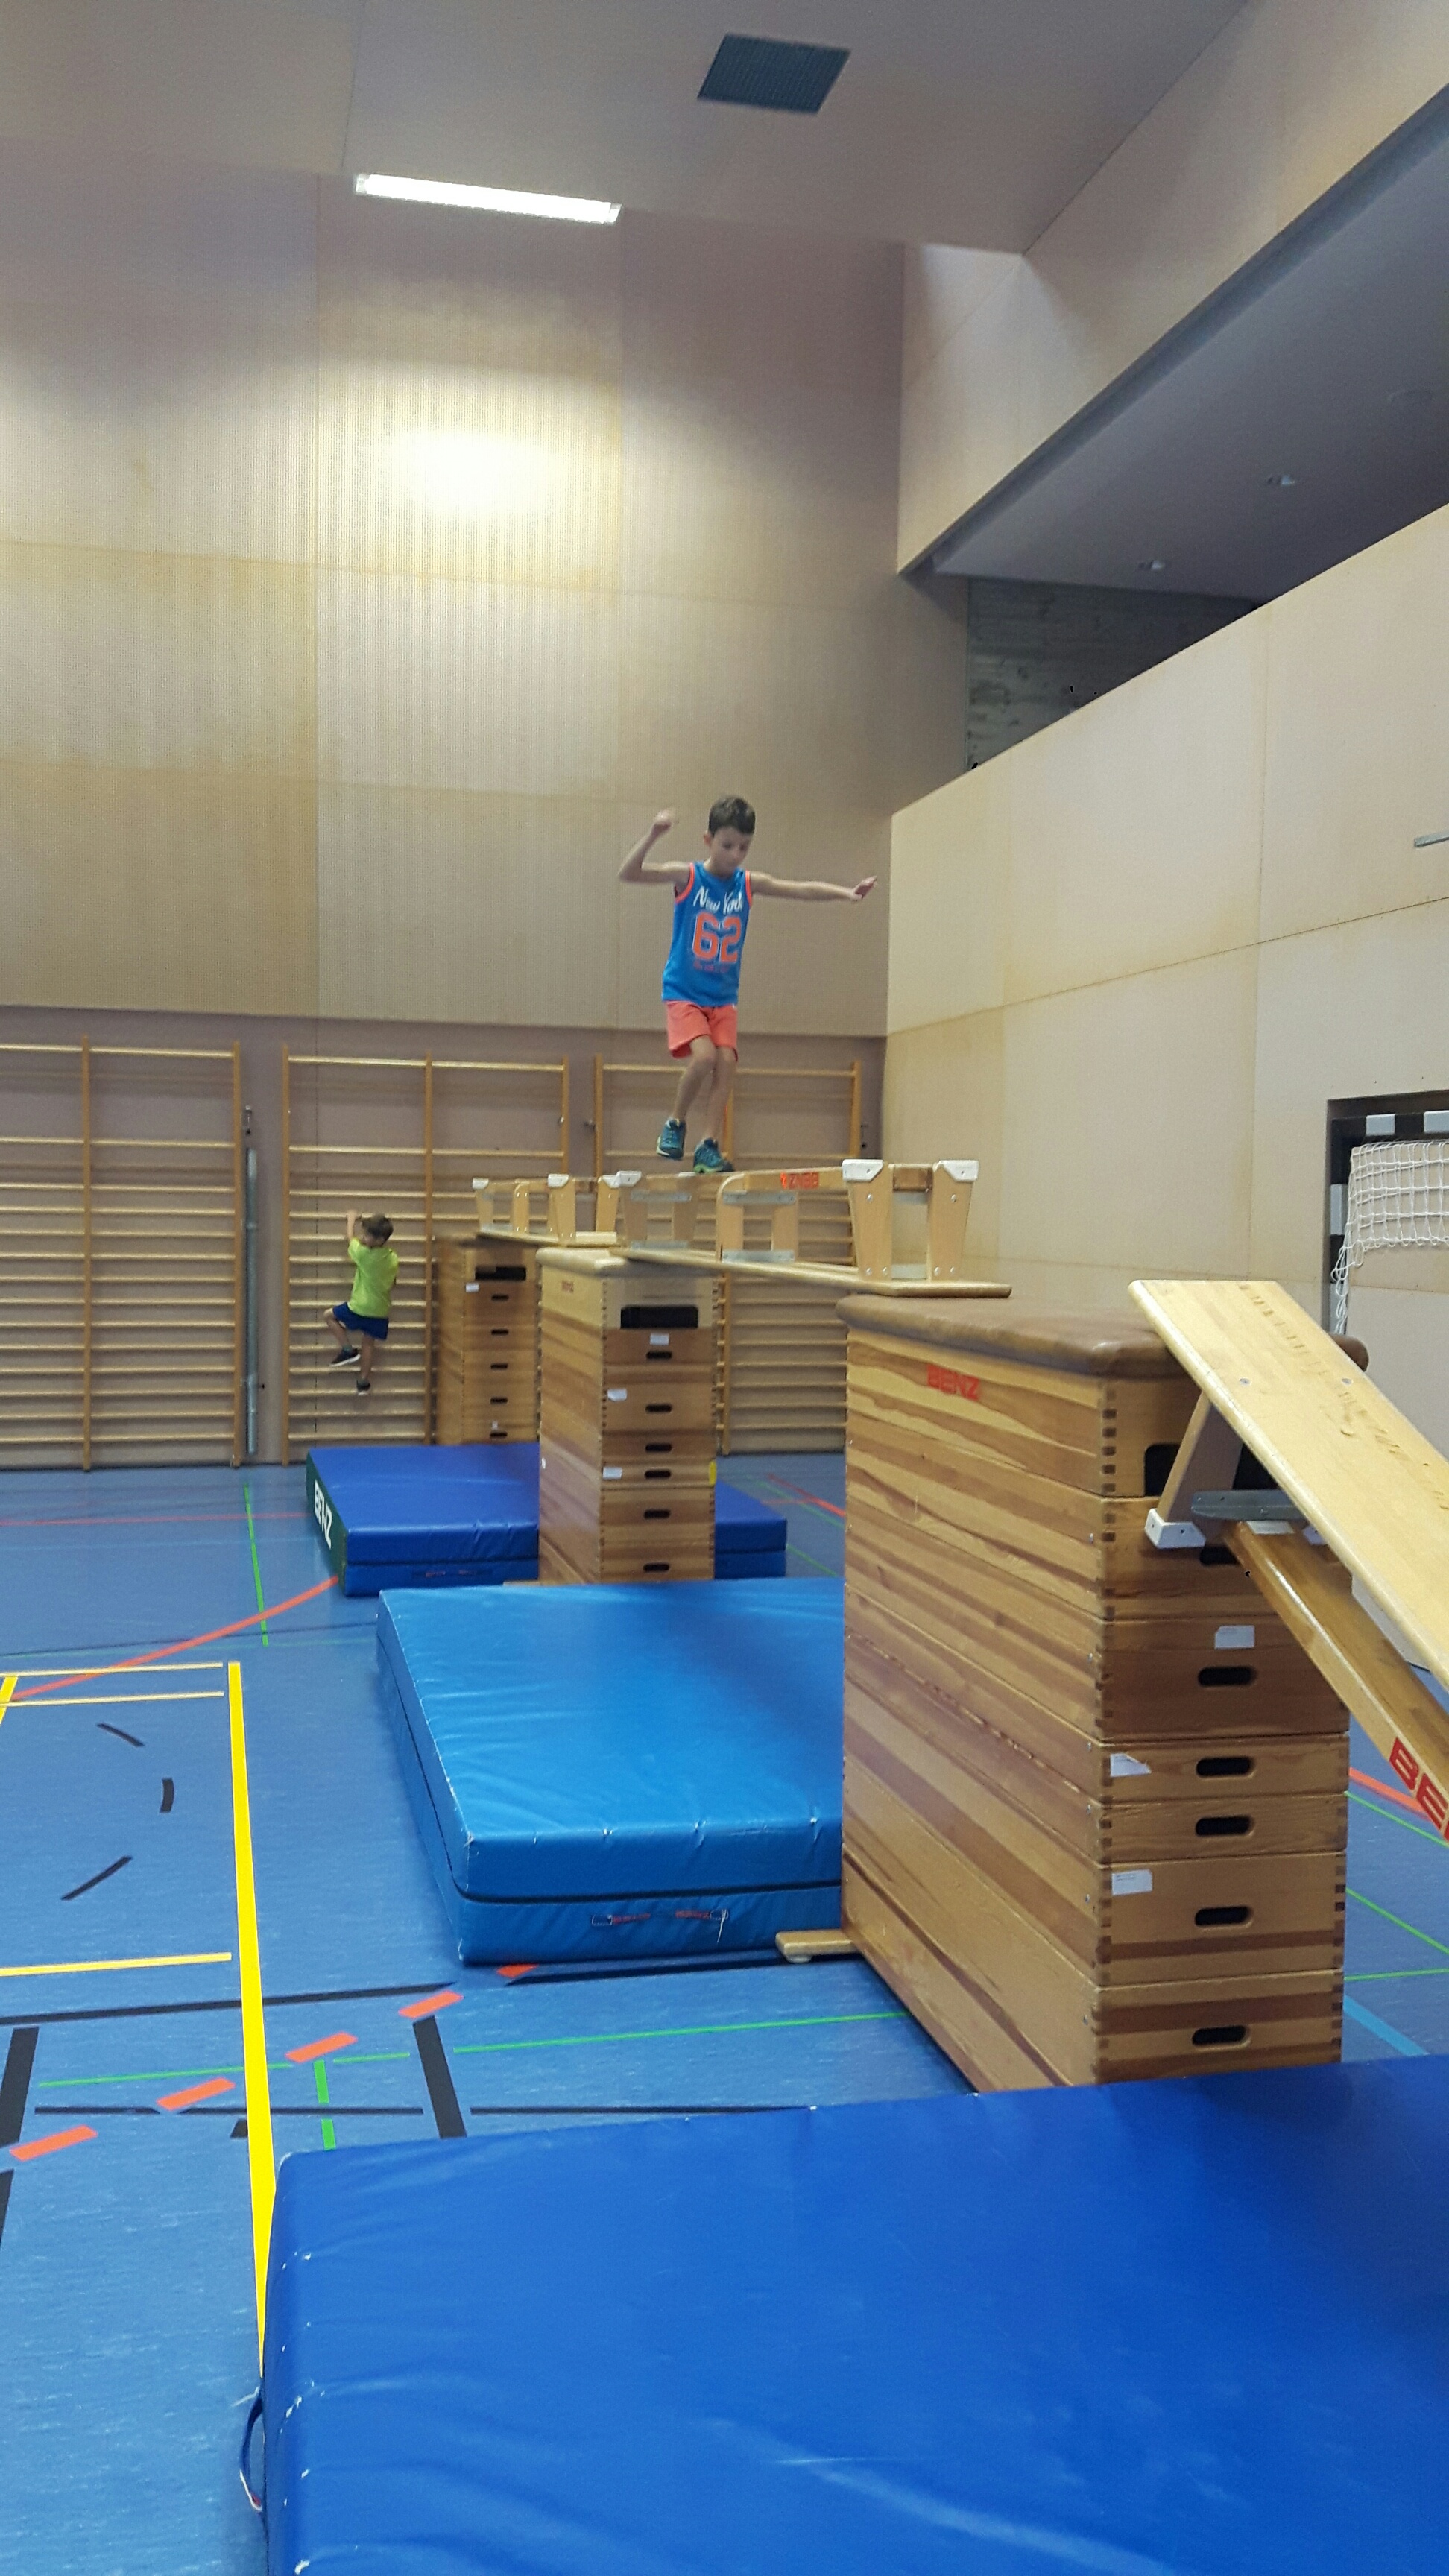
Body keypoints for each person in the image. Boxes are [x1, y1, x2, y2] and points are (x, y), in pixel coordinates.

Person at [619, 796, 875, 1172]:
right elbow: (629, 872)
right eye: (728, 846)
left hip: (723, 998)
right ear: (708, 840)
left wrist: (847, 894)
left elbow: (800, 889)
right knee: (704, 1057)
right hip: (685, 993)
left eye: (744, 847)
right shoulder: (688, 877)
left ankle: (708, 1144)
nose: (736, 855)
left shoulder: (747, 884)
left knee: (726, 1062)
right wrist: (654, 833)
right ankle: (675, 1122)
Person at [323, 1210, 398, 1395]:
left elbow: (351, 1241)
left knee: (329, 1316)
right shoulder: (392, 1258)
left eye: (367, 1235)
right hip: (380, 1310)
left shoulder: (365, 1256)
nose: (363, 1238)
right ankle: (363, 1381)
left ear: (380, 1240)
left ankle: (348, 1350)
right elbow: (393, 1282)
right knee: (368, 1344)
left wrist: (351, 1220)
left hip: (360, 1307)